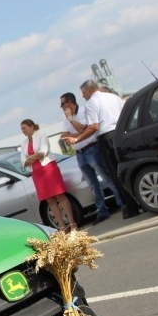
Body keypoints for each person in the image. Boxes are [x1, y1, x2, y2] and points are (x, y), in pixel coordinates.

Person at [65, 80, 142, 220]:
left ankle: (130, 206)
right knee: (128, 167)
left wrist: (77, 139)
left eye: (83, 92)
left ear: (89, 91)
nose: (83, 96)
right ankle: (140, 198)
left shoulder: (91, 103)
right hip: (121, 133)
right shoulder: (113, 97)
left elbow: (93, 126)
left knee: (116, 174)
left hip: (106, 137)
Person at [60, 92, 122, 224]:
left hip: (92, 149)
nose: (61, 107)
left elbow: (86, 129)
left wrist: (72, 121)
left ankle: (122, 203)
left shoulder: (84, 111)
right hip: (80, 153)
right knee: (93, 184)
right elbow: (64, 134)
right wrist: (76, 131)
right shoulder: (65, 117)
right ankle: (102, 210)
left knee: (107, 178)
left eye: (62, 104)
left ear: (70, 102)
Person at [20, 119, 77, 232]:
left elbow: (43, 152)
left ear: (31, 127)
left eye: (24, 128)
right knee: (49, 200)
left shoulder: (41, 135)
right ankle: (62, 226)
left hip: (49, 169)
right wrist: (33, 157)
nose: (23, 131)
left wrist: (30, 158)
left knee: (60, 196)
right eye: (22, 129)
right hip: (37, 174)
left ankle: (72, 224)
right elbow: (23, 162)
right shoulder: (24, 143)